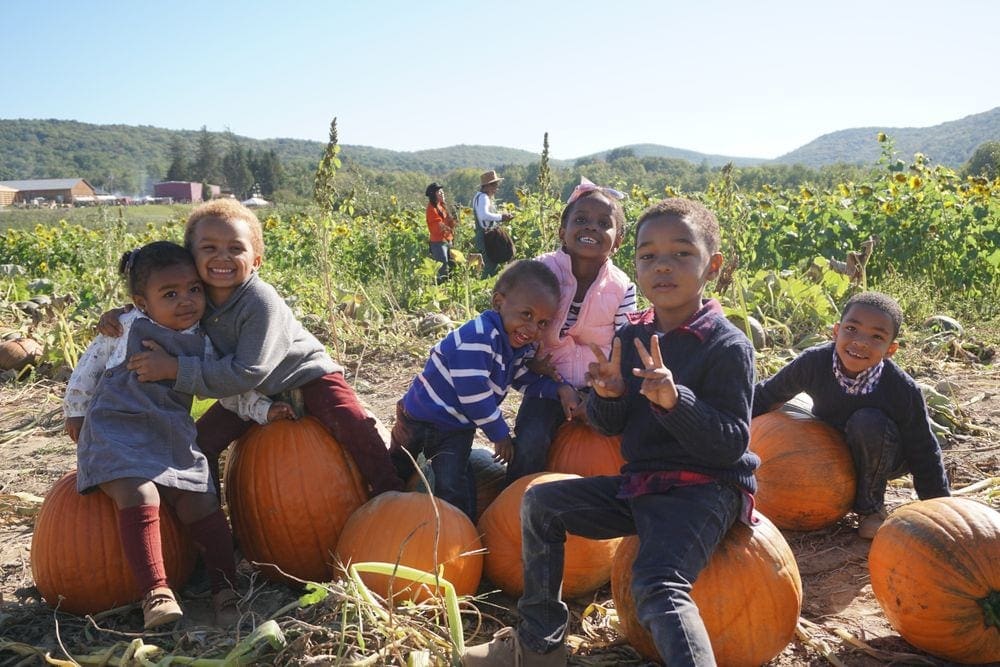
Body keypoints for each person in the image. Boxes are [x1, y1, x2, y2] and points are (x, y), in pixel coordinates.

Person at [463, 198, 759, 667]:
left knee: (656, 584)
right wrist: (610, 397)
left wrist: (676, 401)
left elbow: (729, 444)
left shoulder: (727, 345)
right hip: (642, 483)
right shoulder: (631, 338)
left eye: (681, 253)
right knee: (541, 504)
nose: (662, 265)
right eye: (648, 256)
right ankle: (540, 643)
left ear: (713, 266)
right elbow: (608, 426)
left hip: (704, 489)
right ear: (635, 265)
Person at [96, 200, 404, 498]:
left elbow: (247, 372)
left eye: (235, 248)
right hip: (255, 394)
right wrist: (124, 315)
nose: (222, 257)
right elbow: (157, 305)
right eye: (209, 248)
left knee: (352, 422)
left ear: (256, 260)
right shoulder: (193, 298)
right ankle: (211, 522)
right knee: (202, 442)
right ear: (191, 257)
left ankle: (392, 493)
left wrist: (175, 369)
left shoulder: (261, 302)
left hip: (304, 375)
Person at [65, 241, 293, 630]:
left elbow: (230, 388)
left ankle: (225, 587)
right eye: (169, 294)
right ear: (142, 301)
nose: (185, 300)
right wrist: (76, 412)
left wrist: (263, 409)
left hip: (170, 434)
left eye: (193, 289)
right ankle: (155, 592)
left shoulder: (202, 342)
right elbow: (87, 370)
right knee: (141, 493)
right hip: (116, 430)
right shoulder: (124, 327)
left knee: (200, 501)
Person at [387, 259, 577, 520]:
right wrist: (499, 435)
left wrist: (558, 389)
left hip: (455, 428)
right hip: (419, 417)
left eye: (543, 323)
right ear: (499, 303)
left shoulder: (516, 346)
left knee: (452, 484)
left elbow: (522, 379)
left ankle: (458, 534)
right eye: (527, 315)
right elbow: (473, 394)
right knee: (398, 464)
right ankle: (381, 505)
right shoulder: (478, 337)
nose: (532, 328)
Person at [752, 290, 950, 539]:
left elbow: (924, 450)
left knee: (866, 422)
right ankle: (844, 492)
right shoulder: (813, 363)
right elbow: (766, 396)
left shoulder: (901, 388)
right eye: (852, 329)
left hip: (886, 452)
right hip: (836, 448)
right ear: (836, 331)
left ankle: (871, 510)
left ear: (891, 349)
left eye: (877, 336)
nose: (861, 342)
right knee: (788, 411)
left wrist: (942, 509)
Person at [506, 177, 636, 483]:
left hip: (599, 387)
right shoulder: (542, 271)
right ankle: (512, 502)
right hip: (546, 381)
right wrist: (529, 364)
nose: (591, 227)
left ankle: (622, 505)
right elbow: (515, 321)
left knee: (624, 441)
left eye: (604, 223)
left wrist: (602, 394)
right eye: (581, 220)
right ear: (562, 232)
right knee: (532, 440)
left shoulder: (623, 287)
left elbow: (624, 346)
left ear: (617, 241)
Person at [473, 170, 514, 277]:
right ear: (487, 186)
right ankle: (485, 288)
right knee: (490, 266)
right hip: (486, 236)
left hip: (483, 235)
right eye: (494, 185)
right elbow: (484, 215)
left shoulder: (478, 196)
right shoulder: (484, 197)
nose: (496, 188)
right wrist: (502, 217)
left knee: (489, 263)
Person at [425, 182, 457, 283]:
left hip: (448, 240)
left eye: (442, 191)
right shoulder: (431, 209)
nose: (442, 193)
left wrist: (454, 216)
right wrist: (450, 227)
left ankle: (449, 289)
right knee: (443, 269)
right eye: (439, 192)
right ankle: (441, 289)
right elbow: (439, 226)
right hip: (438, 243)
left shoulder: (442, 206)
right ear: (433, 194)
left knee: (452, 266)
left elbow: (451, 223)